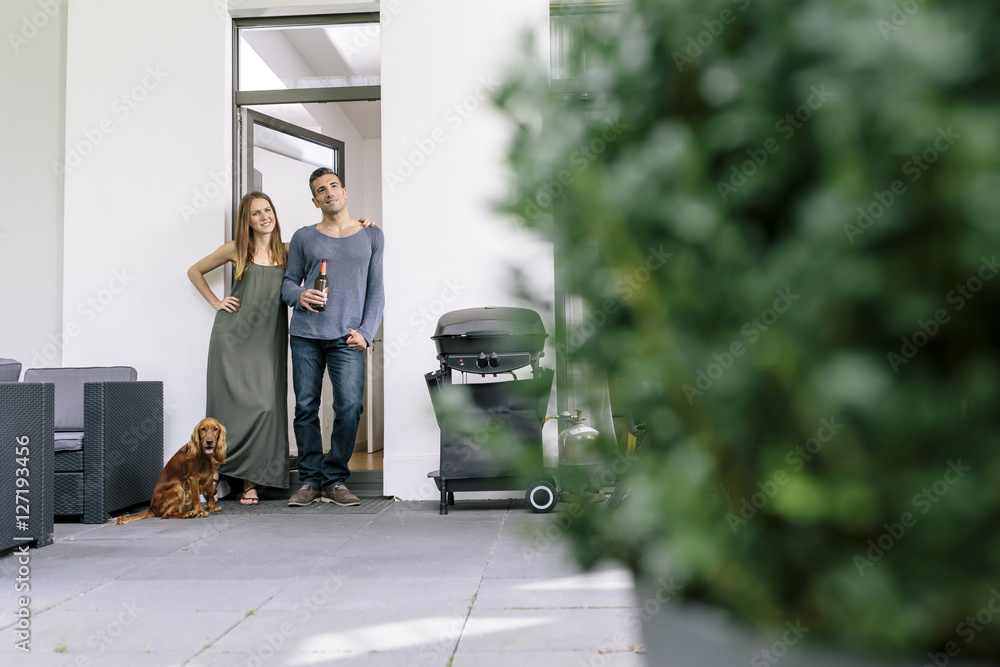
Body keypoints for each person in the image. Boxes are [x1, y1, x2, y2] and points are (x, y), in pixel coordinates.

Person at [281, 168, 384, 507]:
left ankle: (335, 478)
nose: (329, 193)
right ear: (315, 200)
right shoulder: (303, 237)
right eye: (321, 190)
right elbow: (287, 284)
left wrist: (366, 333)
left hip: (348, 338)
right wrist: (301, 296)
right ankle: (310, 481)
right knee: (306, 407)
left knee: (350, 407)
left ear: (345, 191)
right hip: (306, 335)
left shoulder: (371, 236)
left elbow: (376, 291)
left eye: (334, 186)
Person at [187, 191, 290, 505]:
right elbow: (194, 271)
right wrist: (217, 302)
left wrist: (361, 224)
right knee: (228, 408)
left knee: (266, 408)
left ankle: (250, 479)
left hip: (268, 340)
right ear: (247, 221)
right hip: (231, 340)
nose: (263, 217)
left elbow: (328, 242)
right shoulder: (236, 249)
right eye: (256, 213)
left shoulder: (289, 251)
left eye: (267, 210)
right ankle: (222, 475)